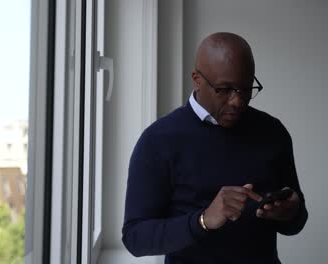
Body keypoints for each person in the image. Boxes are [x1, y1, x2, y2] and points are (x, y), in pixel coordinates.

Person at [122, 32, 308, 263]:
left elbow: (296, 223)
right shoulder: (158, 140)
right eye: (224, 89)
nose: (237, 101)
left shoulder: (272, 131)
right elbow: (135, 238)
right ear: (197, 79)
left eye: (246, 88)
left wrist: (289, 213)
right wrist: (204, 220)